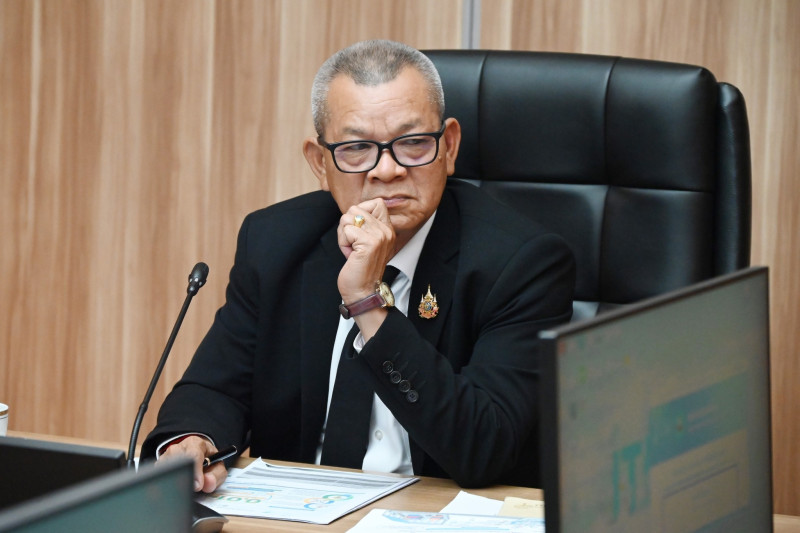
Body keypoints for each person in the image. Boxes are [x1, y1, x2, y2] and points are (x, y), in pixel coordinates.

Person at [142, 39, 575, 493]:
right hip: (294, 516)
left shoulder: (521, 263)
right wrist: (193, 438)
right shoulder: (274, 243)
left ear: (448, 147)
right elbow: (214, 388)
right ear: (320, 163)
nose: (386, 170)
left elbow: (485, 447)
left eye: (412, 143)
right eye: (356, 148)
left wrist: (367, 302)